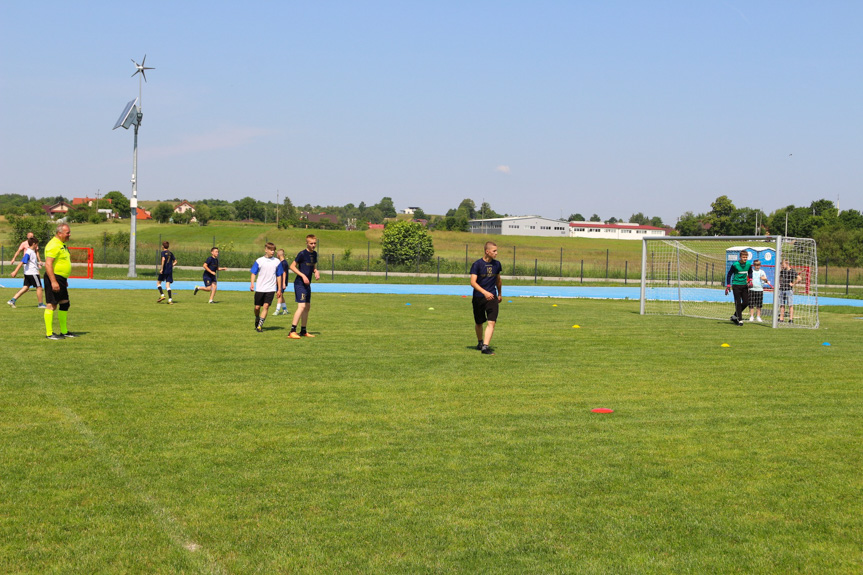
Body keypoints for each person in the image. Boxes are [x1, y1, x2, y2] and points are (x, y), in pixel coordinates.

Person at [43, 223, 76, 340]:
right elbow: (48, 264)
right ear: (60, 233)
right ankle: (49, 333)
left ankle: (64, 331)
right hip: (54, 278)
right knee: (52, 305)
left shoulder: (61, 244)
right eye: (67, 233)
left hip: (60, 279)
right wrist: (54, 281)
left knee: (65, 303)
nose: (69, 235)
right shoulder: (54, 245)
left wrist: (63, 279)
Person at [470, 241, 503, 355]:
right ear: (487, 251)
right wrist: (484, 292)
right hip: (479, 297)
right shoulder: (477, 264)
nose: (496, 253)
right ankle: (480, 342)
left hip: (492, 297)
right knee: (479, 322)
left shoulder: (497, 264)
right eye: (494, 251)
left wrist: (499, 294)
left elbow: (498, 280)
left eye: (496, 251)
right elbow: (473, 283)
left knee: (491, 322)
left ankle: (485, 346)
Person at [288, 234, 320, 339]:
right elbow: (292, 266)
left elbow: (313, 266)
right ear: (306, 243)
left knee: (307, 307)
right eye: (311, 243)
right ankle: (292, 331)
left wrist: (316, 271)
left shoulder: (314, 254)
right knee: (301, 307)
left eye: (315, 243)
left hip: (307, 284)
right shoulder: (302, 254)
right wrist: (302, 275)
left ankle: (303, 331)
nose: (313, 245)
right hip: (300, 284)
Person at [250, 242, 282, 332]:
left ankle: (259, 326)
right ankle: (257, 317)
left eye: (273, 250)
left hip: (271, 288)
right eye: (271, 250)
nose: (272, 252)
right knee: (257, 307)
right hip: (260, 288)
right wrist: (252, 284)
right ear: (266, 250)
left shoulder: (277, 262)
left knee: (266, 306)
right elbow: (253, 273)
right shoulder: (259, 260)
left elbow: (279, 275)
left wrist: (279, 289)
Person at [7, 237, 45, 309]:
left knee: (26, 287)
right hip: (32, 273)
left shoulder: (32, 252)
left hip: (28, 273)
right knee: (39, 287)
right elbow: (22, 262)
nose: (37, 246)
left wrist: (37, 265)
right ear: (34, 244)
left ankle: (12, 300)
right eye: (37, 244)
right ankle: (40, 304)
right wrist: (15, 271)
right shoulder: (29, 252)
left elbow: (31, 262)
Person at [725, 249, 752, 326]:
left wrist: (750, 279)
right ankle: (740, 319)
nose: (745, 258)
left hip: (744, 285)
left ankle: (734, 315)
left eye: (746, 257)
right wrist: (728, 285)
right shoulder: (735, 264)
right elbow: (729, 274)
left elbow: (750, 272)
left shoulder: (748, 264)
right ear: (740, 257)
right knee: (738, 302)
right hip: (736, 285)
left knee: (746, 302)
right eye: (744, 257)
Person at [778, 259, 802, 323]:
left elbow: (799, 278)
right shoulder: (782, 271)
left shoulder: (792, 271)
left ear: (787, 264)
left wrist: (793, 283)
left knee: (790, 305)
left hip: (788, 290)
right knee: (782, 305)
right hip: (782, 289)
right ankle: (781, 318)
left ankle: (791, 319)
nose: (782, 266)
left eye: (783, 265)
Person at [273, 249, 289, 315]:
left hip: (282, 282)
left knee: (279, 295)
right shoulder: (282, 262)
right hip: (280, 282)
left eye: (277, 254)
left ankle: (277, 310)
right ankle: (285, 310)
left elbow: (284, 273)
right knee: (281, 295)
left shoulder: (283, 263)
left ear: (279, 255)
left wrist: (283, 283)